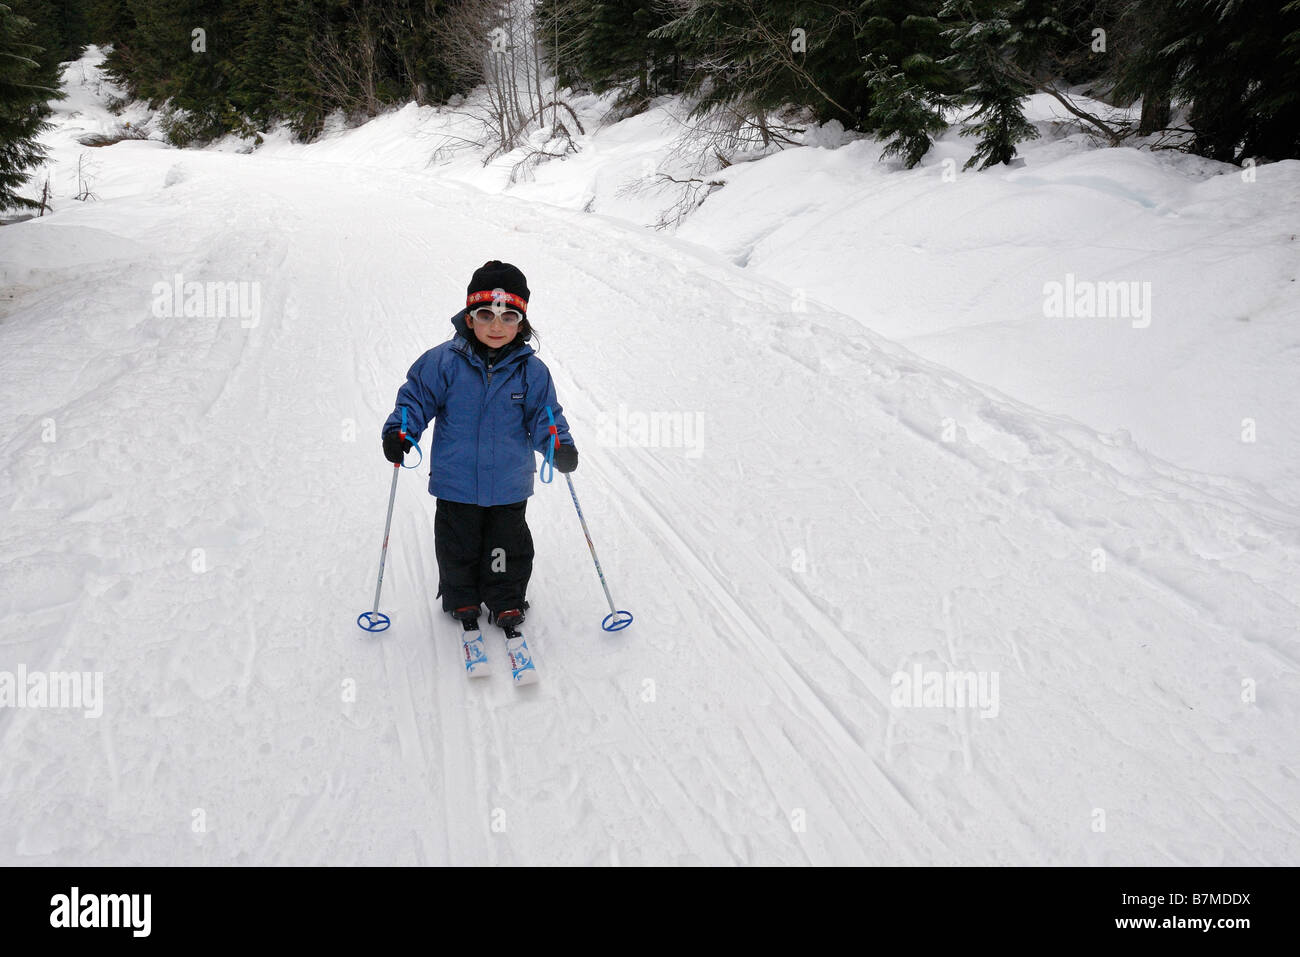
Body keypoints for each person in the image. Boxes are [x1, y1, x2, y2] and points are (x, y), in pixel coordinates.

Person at [381, 261, 577, 632]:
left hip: (508, 483)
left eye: (508, 317)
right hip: (456, 482)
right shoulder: (442, 362)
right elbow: (416, 399)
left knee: (505, 548)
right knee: (459, 547)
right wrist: (401, 431)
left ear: (522, 323)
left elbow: (545, 415)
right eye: (486, 314)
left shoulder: (532, 372)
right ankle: (462, 597)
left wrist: (558, 445)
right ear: (469, 318)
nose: (496, 326)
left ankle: (505, 599)